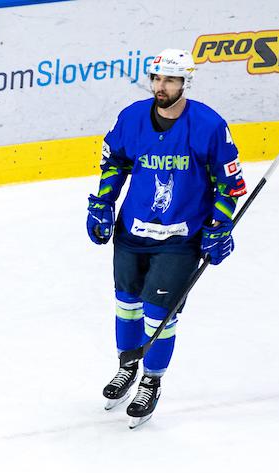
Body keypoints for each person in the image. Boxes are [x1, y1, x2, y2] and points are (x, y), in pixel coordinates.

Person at [86, 48, 245, 426]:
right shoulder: (132, 117)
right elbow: (116, 162)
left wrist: (220, 227)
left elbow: (229, 184)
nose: (161, 86)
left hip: (180, 238)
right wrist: (103, 204)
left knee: (159, 314)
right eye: (157, 78)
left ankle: (151, 382)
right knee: (126, 305)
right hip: (132, 231)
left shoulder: (208, 125)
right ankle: (127, 365)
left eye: (170, 80)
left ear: (185, 83)